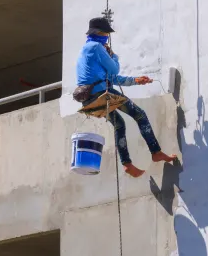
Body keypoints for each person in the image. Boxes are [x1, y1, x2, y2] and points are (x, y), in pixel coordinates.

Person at [76, 17, 177, 178]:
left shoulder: (86, 50)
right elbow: (114, 70)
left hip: (90, 98)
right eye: (105, 33)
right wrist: (113, 56)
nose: (107, 37)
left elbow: (110, 78)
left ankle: (127, 164)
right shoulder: (96, 47)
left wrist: (136, 81)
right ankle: (156, 152)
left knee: (119, 124)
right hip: (102, 94)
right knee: (140, 115)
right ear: (99, 33)